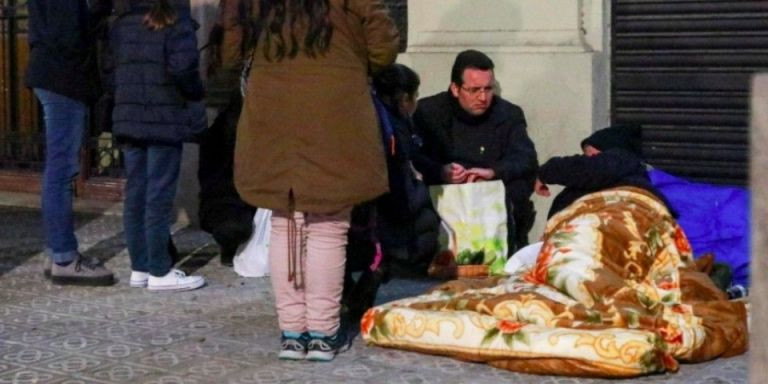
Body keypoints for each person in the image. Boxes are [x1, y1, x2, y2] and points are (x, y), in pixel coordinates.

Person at [221, 0, 399, 361]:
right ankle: (321, 332)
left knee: (285, 220)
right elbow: (383, 50)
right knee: (328, 224)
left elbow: (230, 53)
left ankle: (292, 331)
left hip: (272, 111)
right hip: (336, 109)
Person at [110, 0, 206, 291]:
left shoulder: (123, 22)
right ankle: (159, 270)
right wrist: (195, 94)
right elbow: (183, 67)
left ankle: (140, 267)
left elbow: (110, 69)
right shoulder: (174, 19)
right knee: (159, 195)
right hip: (164, 117)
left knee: (136, 193)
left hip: (128, 115)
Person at [411, 49, 538, 253]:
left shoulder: (508, 114)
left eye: (488, 89)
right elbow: (414, 155)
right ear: (455, 88)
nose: (483, 97)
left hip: (492, 190)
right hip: (443, 190)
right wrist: (441, 171)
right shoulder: (428, 112)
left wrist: (492, 172)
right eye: (474, 90)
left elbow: (524, 157)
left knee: (519, 184)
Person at [25, 0, 115, 285]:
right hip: (62, 77)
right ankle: (64, 256)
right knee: (62, 170)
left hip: (53, 74)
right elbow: (68, 33)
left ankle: (57, 251)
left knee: (59, 168)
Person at [343, 63, 439, 322]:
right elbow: (397, 179)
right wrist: (421, 197)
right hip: (375, 209)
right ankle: (357, 298)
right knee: (417, 232)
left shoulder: (373, 113)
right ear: (404, 97)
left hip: (358, 202)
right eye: (415, 96)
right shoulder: (392, 126)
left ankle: (350, 295)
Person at [535, 124, 675, 218]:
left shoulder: (621, 160)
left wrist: (547, 171)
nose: (586, 159)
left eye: (591, 154)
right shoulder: (614, 176)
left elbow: (590, 169)